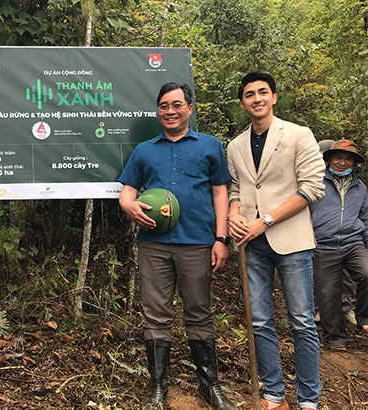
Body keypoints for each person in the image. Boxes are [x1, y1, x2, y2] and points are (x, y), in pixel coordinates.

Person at [118, 82, 237, 410]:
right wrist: (128, 205)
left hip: (198, 242)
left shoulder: (210, 146)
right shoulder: (144, 150)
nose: (169, 111)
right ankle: (158, 387)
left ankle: (209, 387)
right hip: (153, 244)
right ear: (158, 111)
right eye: (163, 106)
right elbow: (127, 191)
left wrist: (221, 238)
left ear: (190, 108)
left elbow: (220, 194)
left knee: (200, 312)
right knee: (156, 314)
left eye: (176, 105)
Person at [227, 71, 325, 410]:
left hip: (291, 240)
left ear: (273, 97)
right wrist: (234, 214)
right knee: (259, 320)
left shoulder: (299, 135)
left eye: (263, 92)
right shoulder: (236, 145)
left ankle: (309, 399)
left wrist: (265, 221)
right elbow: (237, 188)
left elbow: (312, 187)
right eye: (250, 94)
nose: (257, 98)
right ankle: (273, 394)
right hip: (250, 244)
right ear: (242, 103)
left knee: (300, 320)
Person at [310, 139, 368, 349]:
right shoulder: (316, 182)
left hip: (353, 243)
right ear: (329, 160)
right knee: (327, 294)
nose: (343, 163)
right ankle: (336, 338)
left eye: (348, 159)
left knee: (367, 272)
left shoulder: (360, 188)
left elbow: (366, 217)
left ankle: (364, 317)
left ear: (354, 163)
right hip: (323, 245)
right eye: (338, 157)